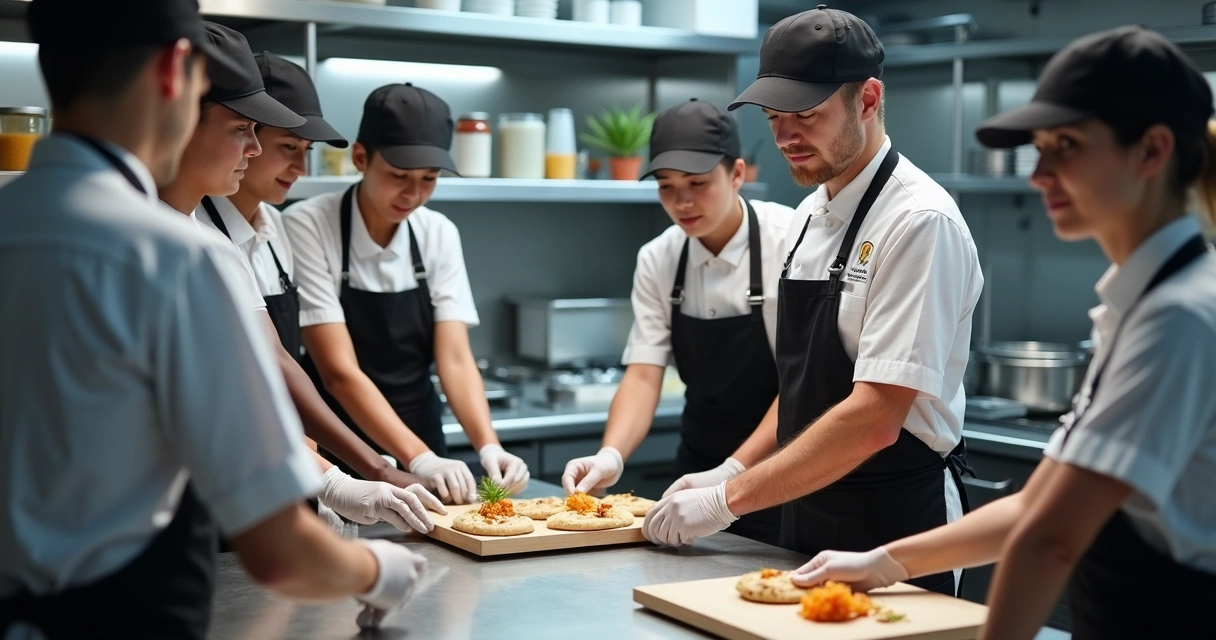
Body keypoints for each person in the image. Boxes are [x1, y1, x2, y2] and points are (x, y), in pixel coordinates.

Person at [0, 1, 426, 638]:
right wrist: (377, 570)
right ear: (177, 71)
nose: (255, 148)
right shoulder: (174, 255)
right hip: (120, 616)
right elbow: (281, 553)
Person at [794, 26, 1216, 640]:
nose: (1038, 173)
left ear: (1151, 152)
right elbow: (1037, 503)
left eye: (1065, 147)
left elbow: (1051, 538)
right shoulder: (1144, 304)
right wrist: (884, 564)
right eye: (1037, 149)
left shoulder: (1178, 316)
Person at [643, 5, 982, 598]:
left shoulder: (917, 222)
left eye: (807, 115)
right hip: (803, 510)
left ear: (869, 100)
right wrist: (733, 468)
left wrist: (726, 501)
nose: (786, 138)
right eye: (775, 118)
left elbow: (875, 417)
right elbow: (805, 390)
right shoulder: (809, 216)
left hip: (892, 525)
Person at [157, 25, 441, 530]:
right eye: (244, 131)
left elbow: (278, 367)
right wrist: (338, 479)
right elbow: (236, 398)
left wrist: (338, 476)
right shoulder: (158, 243)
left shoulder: (221, 244)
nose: (253, 150)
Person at [284, 83, 529, 504]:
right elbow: (337, 373)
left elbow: (453, 358)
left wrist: (488, 446)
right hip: (340, 442)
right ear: (360, 157)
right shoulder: (309, 224)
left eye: (428, 180)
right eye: (398, 176)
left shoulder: (437, 232)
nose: (413, 195)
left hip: (423, 432)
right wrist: (416, 459)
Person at [561, 99, 793, 544]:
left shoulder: (792, 243)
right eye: (666, 186)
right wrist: (612, 454)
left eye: (698, 183)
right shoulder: (660, 257)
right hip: (693, 473)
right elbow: (645, 375)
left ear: (738, 174)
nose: (681, 202)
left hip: (777, 472)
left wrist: (732, 473)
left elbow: (800, 386)